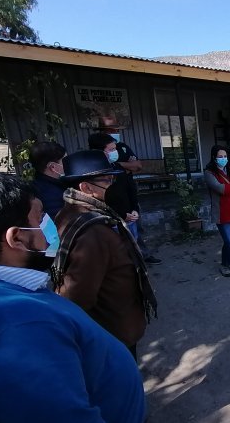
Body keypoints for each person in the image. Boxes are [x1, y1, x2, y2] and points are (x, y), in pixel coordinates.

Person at [0, 167, 145, 423]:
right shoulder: (12, 323)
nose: (48, 225)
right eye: (40, 218)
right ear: (16, 238)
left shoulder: (1, 295)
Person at [53, 150, 157, 360]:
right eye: (107, 179)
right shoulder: (93, 233)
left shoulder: (70, 212)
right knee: (122, 385)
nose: (112, 184)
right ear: (86, 187)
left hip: (110, 327)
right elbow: (78, 296)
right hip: (112, 330)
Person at [92, 122, 162, 265]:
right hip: (115, 219)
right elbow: (104, 200)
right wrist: (123, 215)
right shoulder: (95, 175)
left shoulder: (117, 165)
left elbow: (133, 180)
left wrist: (134, 209)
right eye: (111, 149)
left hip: (130, 214)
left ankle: (140, 264)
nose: (115, 152)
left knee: (134, 242)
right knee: (120, 254)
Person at [204, 145, 230, 277]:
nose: (223, 159)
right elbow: (219, 188)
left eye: (225, 156)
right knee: (229, 241)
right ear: (214, 158)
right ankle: (224, 264)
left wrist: (228, 188)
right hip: (221, 212)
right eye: (220, 156)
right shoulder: (209, 173)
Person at [28, 140, 67, 219]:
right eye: (65, 161)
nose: (68, 164)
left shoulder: (35, 184)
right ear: (53, 167)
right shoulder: (52, 197)